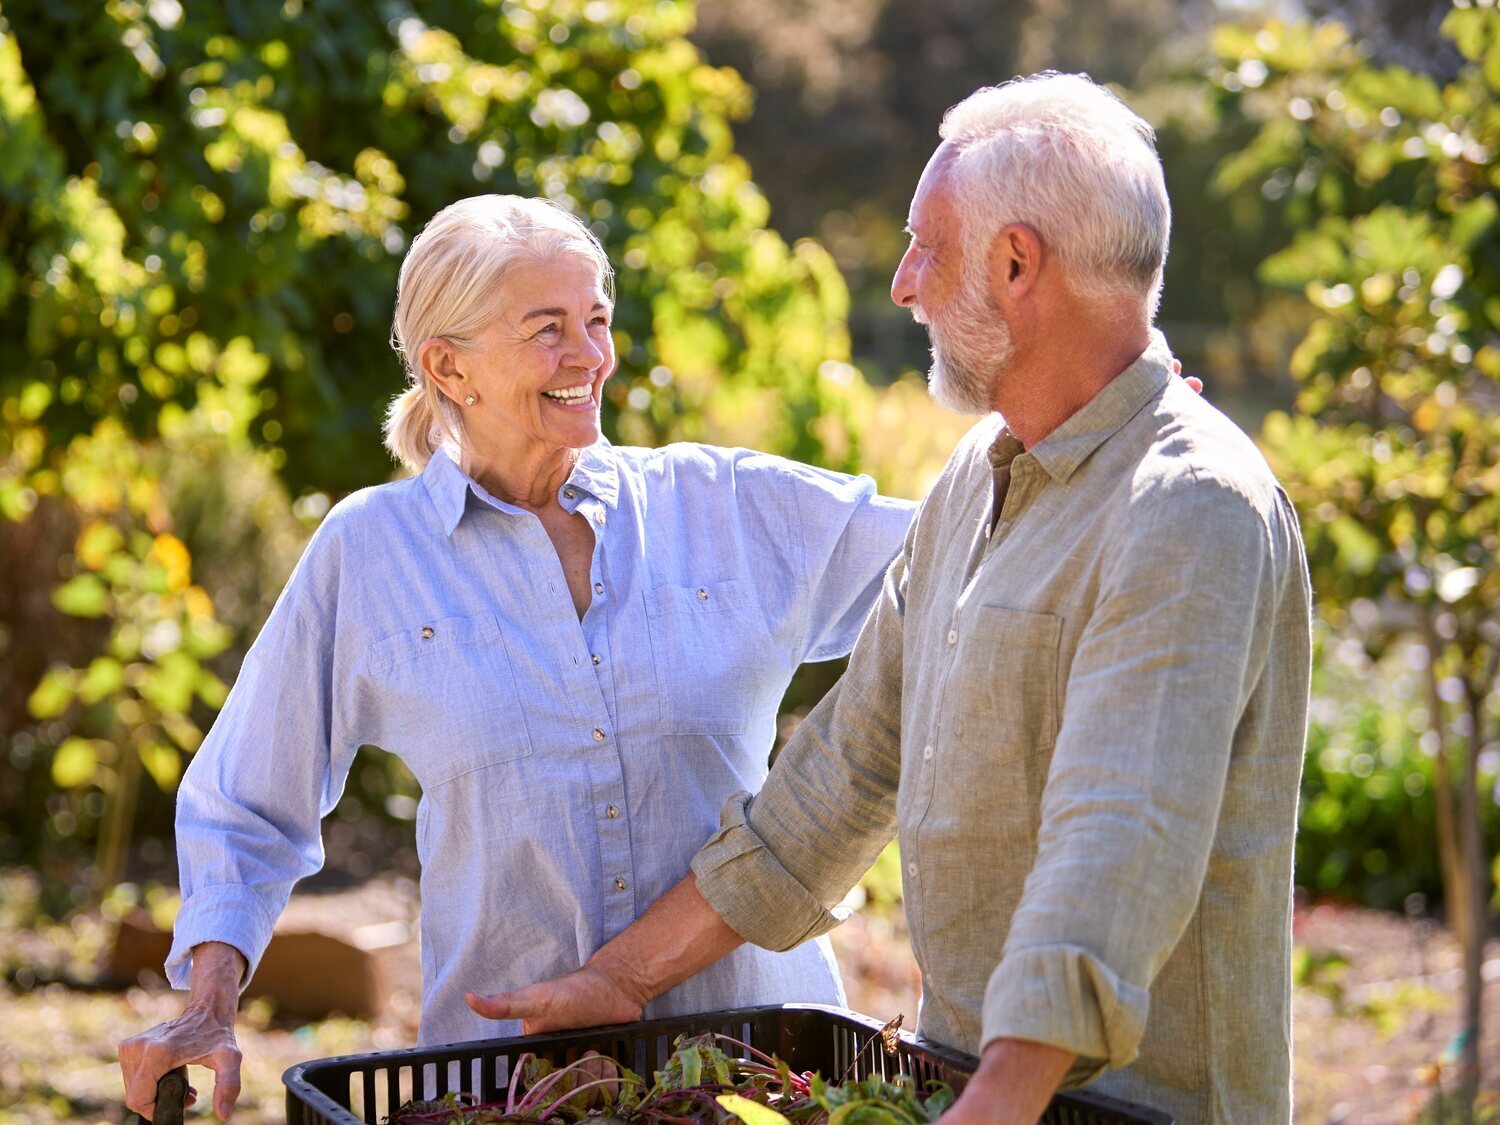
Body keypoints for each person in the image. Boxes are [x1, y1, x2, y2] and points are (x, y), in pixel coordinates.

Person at [466, 73, 1314, 1125]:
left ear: (1016, 265)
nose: (906, 284)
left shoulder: (1188, 506)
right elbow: (842, 775)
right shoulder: (976, 479)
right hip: (971, 1092)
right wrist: (627, 978)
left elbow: (1120, 837)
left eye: (929, 246)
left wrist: (997, 1102)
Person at [118, 195, 919, 1121]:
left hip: (769, 1073)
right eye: (547, 330)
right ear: (448, 367)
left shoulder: (728, 507)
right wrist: (207, 1008)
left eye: (597, 319)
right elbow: (243, 807)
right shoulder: (373, 555)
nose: (589, 355)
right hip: (509, 1088)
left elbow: (962, 556)